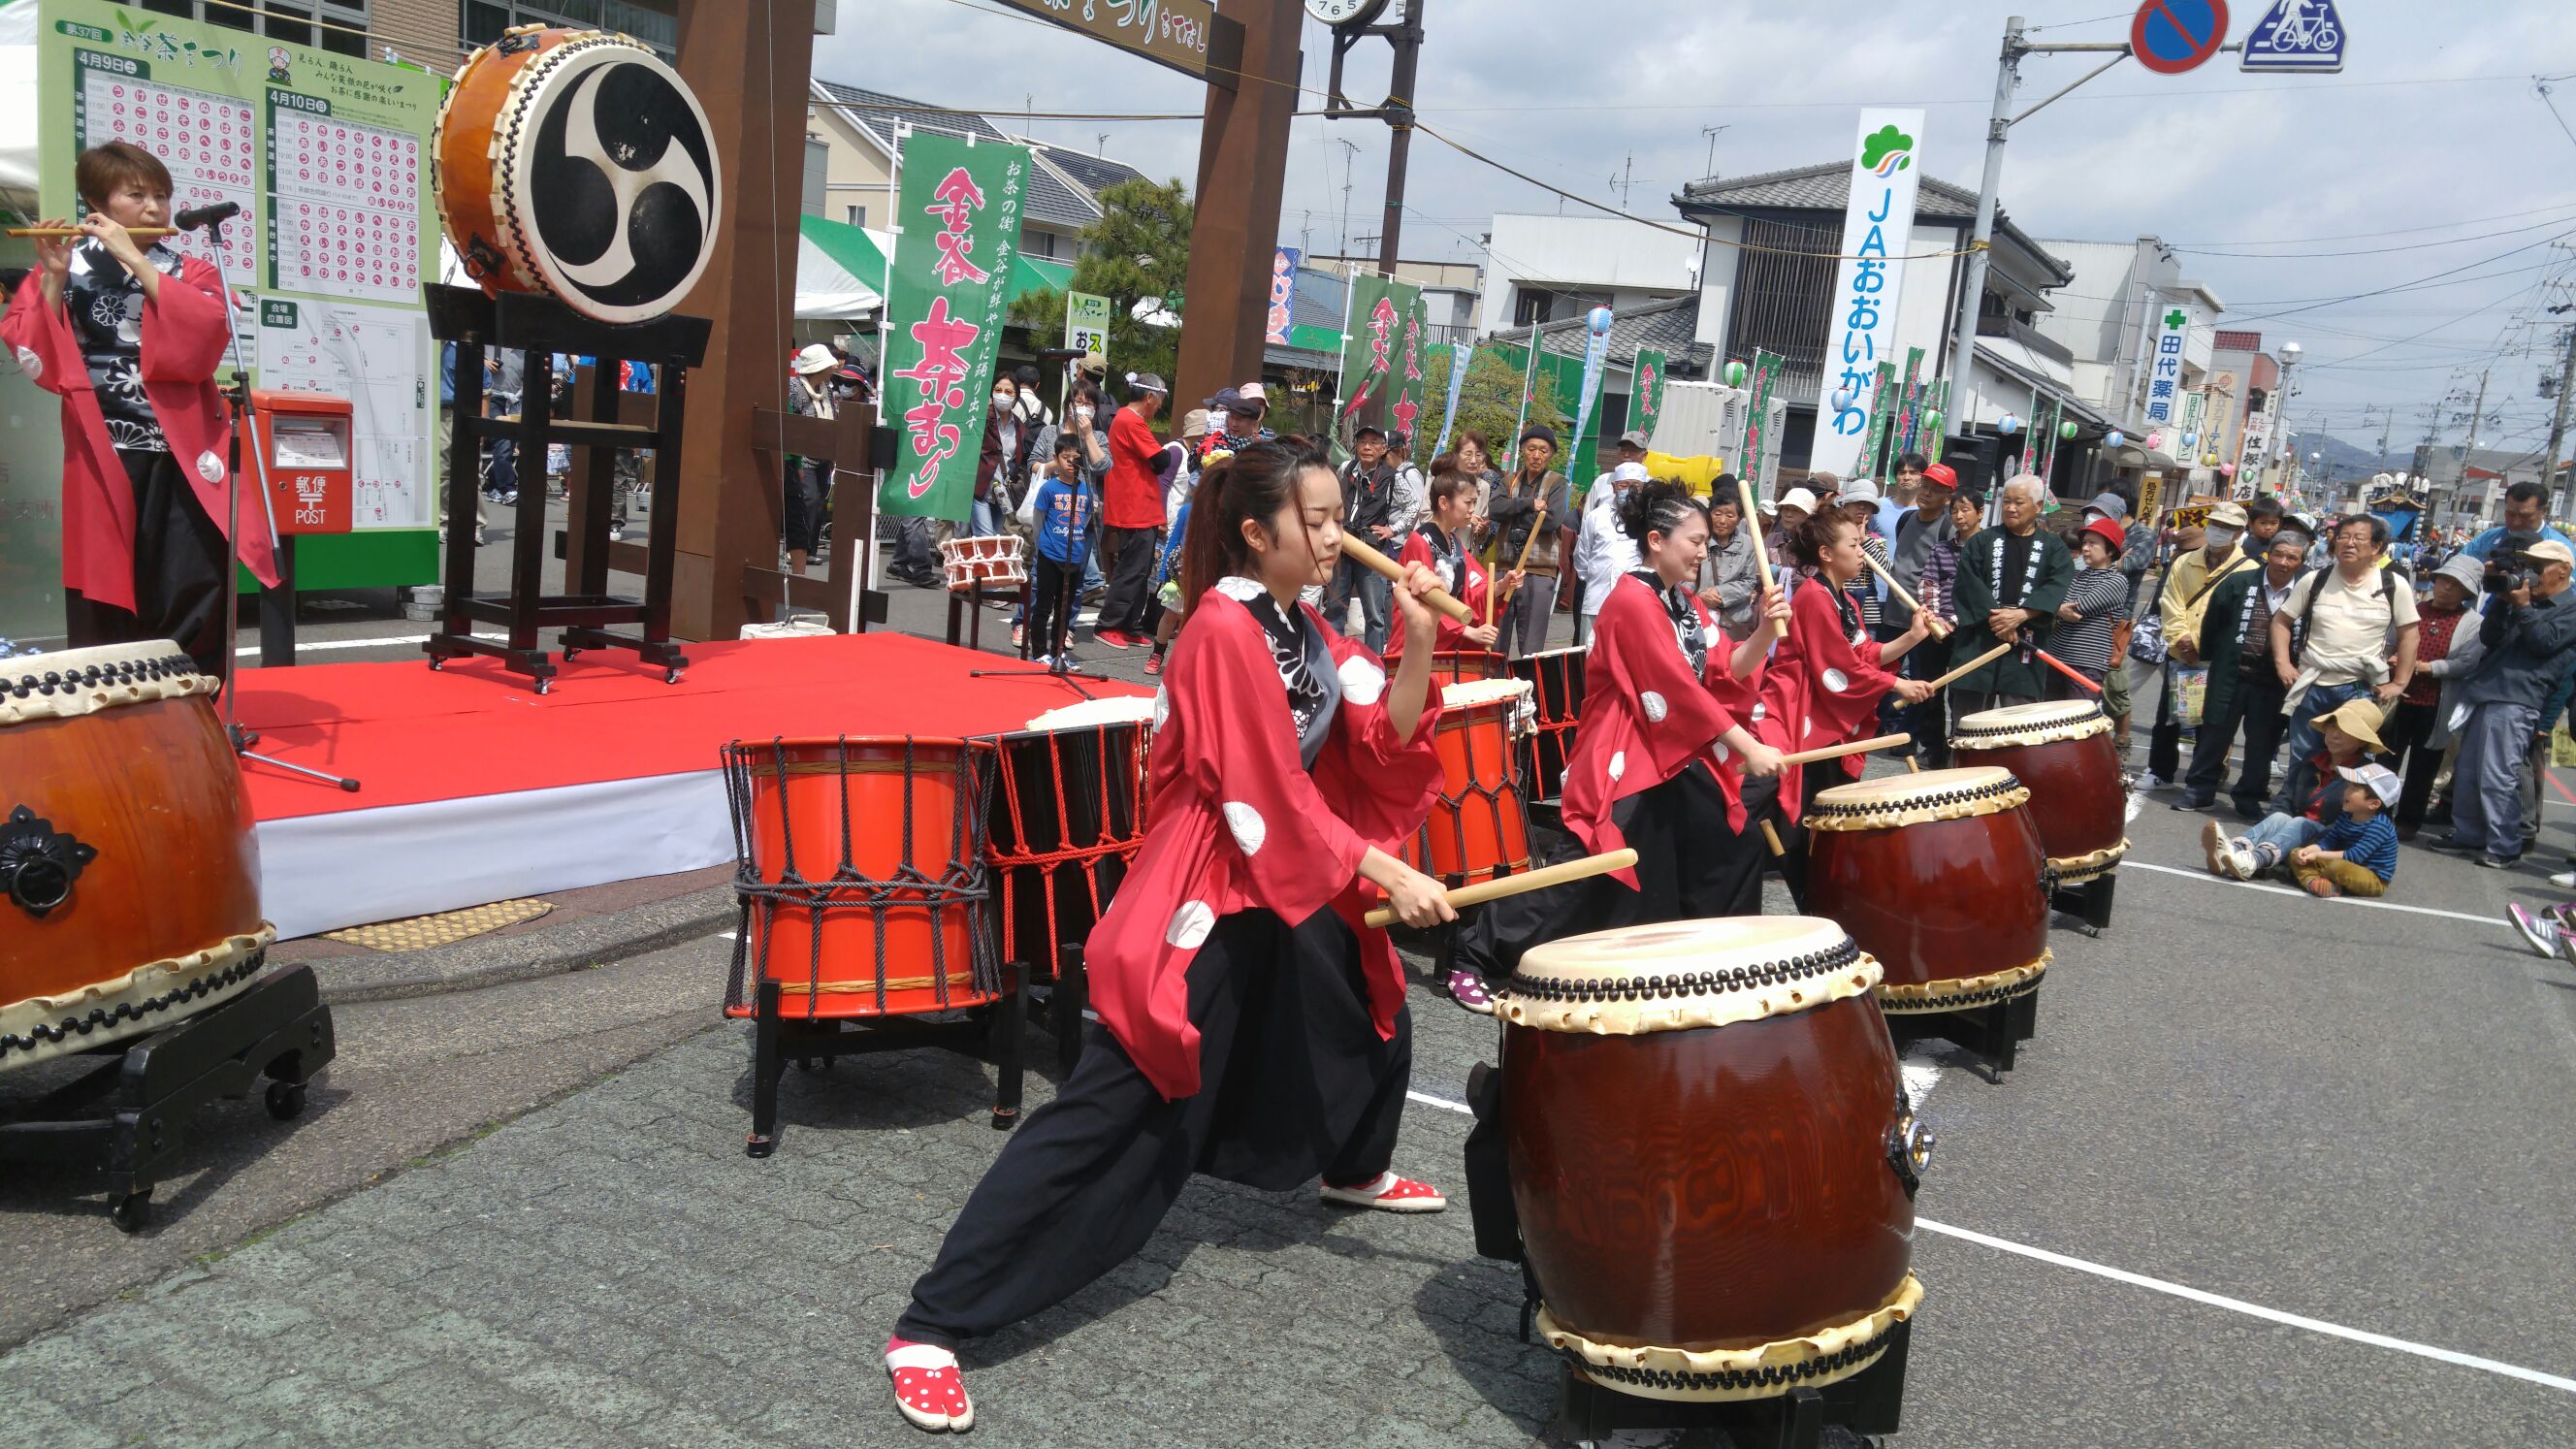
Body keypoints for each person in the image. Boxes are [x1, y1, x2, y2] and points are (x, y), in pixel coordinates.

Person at [885, 439, 1458, 1433]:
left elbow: (1379, 739)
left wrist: (1416, 639)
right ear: (1256, 533)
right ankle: (933, 1323)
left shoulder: (1304, 630)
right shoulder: (1221, 631)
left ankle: (1351, 1168)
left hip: (1277, 874)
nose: (1337, 538)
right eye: (1318, 520)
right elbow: (1261, 790)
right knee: (1122, 1099)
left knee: (1370, 1007)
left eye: (1339, 520)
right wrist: (1387, 869)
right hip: (1209, 882)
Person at [6, 141, 278, 679]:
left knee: (193, 574)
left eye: (161, 195)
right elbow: (37, 355)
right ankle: (115, 701)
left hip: (185, 444)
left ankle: (190, 696)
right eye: (137, 195)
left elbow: (206, 334)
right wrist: (55, 276)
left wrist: (133, 257)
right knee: (107, 577)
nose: (154, 208)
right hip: (104, 445)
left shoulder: (190, 268)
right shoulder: (66, 264)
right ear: (97, 202)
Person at [1772, 506, 1940, 902]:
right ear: (1827, 553)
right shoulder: (1814, 597)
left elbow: (1863, 655)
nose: (1863, 553)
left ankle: (1828, 895)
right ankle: (1815, 898)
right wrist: (1898, 683)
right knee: (1814, 818)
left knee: (1830, 814)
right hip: (1807, 717)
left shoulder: (1843, 598)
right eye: (1854, 544)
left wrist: (1913, 637)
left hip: (1830, 716)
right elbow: (1838, 669)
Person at [2430, 536, 2576, 867]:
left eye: (2538, 567)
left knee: (2498, 775)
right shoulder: (2524, 598)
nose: (2531, 574)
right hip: (2487, 689)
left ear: (2564, 570)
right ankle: (2469, 835)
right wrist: (2500, 598)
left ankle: (2504, 845)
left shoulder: (2570, 608)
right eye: (2528, 566)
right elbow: (2488, 637)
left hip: (2520, 696)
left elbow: (2544, 643)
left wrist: (2523, 607)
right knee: (2468, 772)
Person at [2270, 513, 2420, 819]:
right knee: (2303, 755)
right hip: (2313, 683)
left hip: (2359, 688)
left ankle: (2342, 820)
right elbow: (2281, 621)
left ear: (2376, 547)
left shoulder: (2394, 584)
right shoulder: (2315, 580)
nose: (2349, 543)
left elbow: (2409, 635)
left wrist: (2400, 682)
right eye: (2343, 537)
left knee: (2354, 762)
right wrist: (2283, 663)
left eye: (2358, 538)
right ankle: (2290, 814)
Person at [2176, 524, 2312, 817]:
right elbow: (2213, 624)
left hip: (2274, 681)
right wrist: (2213, 658)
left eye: (2292, 558)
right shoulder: (2238, 583)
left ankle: (2249, 796)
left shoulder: (2307, 590)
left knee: (2263, 741)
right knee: (2214, 733)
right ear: (2267, 554)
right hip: (2231, 674)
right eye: (2278, 554)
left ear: (2302, 561)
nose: (2283, 562)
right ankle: (2199, 790)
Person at [2142, 502, 2260, 789]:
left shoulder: (2250, 569)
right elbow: (2170, 602)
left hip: (2220, 660)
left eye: (2227, 527)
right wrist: (2182, 638)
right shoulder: (2184, 562)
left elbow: (2241, 618)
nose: (2219, 531)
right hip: (2182, 652)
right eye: (2216, 524)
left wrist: (2205, 647)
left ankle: (2203, 777)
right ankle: (2160, 772)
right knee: (2171, 716)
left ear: (2239, 533)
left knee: (2212, 722)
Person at [2203, 699, 2381, 881]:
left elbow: (2359, 824)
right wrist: (2276, 826)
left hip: (2329, 843)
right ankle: (2234, 851)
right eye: (2332, 727)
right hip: (2292, 832)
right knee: (2280, 816)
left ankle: (2254, 860)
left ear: (2361, 741)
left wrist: (2314, 839)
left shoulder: (2367, 776)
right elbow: (2285, 797)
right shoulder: (2312, 758)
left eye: (2345, 730)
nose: (2335, 735)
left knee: (2301, 823)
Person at [1945, 474, 2075, 719]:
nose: (2011, 508)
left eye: (2019, 502)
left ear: (2038, 506)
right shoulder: (1981, 541)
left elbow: (2056, 584)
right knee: (1969, 722)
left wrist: (2022, 615)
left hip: (2027, 637)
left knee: (2019, 722)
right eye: (2006, 501)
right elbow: (1967, 585)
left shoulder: (2053, 547)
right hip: (1980, 637)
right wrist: (2001, 622)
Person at [2385, 553, 2481, 837]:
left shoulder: (2473, 622)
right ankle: (2376, 815)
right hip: (2399, 697)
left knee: (2424, 767)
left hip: (2436, 703)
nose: (2446, 587)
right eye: (2443, 580)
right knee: (2386, 759)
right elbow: (2390, 642)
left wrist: (2427, 667)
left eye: (2456, 584)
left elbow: (2466, 663)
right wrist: (2391, 658)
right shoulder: (2414, 609)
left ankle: (2408, 820)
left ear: (2467, 591)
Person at [1387, 464, 1506, 666]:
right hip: (1418, 643)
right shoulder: (1420, 541)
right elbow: (1425, 598)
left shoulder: (1455, 542)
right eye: (1468, 502)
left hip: (1445, 643)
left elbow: (1474, 587)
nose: (1472, 509)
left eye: (1474, 502)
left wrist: (1501, 586)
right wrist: (1468, 631)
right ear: (1443, 502)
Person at [1090, 371, 1169, 649]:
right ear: (1149, 397)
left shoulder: (1127, 419)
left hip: (1139, 505)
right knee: (1132, 569)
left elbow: (1158, 461)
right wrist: (1157, 459)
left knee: (1139, 569)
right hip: (1135, 507)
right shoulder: (1131, 421)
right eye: (1159, 399)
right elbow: (1161, 459)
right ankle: (1109, 624)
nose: (1159, 406)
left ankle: (1126, 624)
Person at [1480, 426, 1573, 657]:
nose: (1536, 455)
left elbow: (1550, 521)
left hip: (1538, 571)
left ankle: (1528, 680)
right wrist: (1528, 504)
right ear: (1522, 450)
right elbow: (1494, 509)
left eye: (1543, 450)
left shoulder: (1557, 483)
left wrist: (1511, 513)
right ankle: (1495, 678)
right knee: (1496, 638)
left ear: (1551, 454)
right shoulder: (1509, 480)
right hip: (1505, 567)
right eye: (1531, 449)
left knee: (1531, 644)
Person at [1916, 481, 1985, 767]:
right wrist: (1933, 619)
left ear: (1980, 513)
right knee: (1930, 689)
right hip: (1936, 629)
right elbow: (1928, 583)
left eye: (1965, 510)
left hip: (1968, 629)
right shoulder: (1941, 548)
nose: (1959, 515)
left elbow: (1979, 594)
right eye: (1955, 510)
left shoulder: (1987, 549)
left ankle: (1960, 747)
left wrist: (1953, 621)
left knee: (1962, 692)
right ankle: (1933, 748)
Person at [1022, 434, 1097, 668]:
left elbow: (1086, 517)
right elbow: (1038, 520)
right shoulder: (1049, 488)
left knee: (1064, 608)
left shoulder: (1085, 489)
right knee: (1044, 605)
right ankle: (1039, 651)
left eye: (1076, 458)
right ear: (1056, 458)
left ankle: (1059, 652)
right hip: (1050, 554)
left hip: (1074, 555)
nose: (1071, 462)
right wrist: (1043, 544)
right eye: (1066, 457)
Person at [1327, 425, 1401, 651]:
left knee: (1374, 614)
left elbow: (1412, 504)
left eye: (1373, 443)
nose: (1367, 447)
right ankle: (1334, 655)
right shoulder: (1346, 468)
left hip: (1371, 549)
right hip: (1344, 544)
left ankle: (1374, 660)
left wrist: (1393, 529)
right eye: (1362, 442)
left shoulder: (1392, 476)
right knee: (1335, 607)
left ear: (1383, 449)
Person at [780, 344, 842, 578]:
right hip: (802, 456)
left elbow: (833, 418)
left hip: (823, 456)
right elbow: (791, 422)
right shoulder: (794, 388)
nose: (832, 370)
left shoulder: (827, 389)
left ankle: (809, 549)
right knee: (809, 500)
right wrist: (796, 462)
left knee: (818, 503)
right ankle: (797, 549)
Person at [2051, 516, 2130, 699]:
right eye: (2084, 543)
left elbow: (2077, 607)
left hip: (2087, 663)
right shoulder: (2075, 575)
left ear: (2111, 550)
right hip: (2056, 658)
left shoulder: (2117, 581)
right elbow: (2056, 602)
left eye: (2093, 543)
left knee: (2079, 715)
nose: (2085, 548)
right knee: (2050, 715)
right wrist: (2059, 609)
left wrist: (2057, 608)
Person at [1572, 460, 1649, 646]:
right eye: (1624, 485)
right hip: (1597, 599)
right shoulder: (1596, 516)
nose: (1630, 491)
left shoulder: (1648, 520)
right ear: (1614, 487)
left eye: (1636, 486)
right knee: (1590, 652)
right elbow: (1582, 557)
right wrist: (1597, 575)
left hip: (1635, 605)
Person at [1697, 481, 1761, 634]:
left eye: (1730, 515)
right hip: (1699, 616)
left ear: (1739, 519)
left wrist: (1720, 593)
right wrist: (1700, 596)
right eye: (1717, 513)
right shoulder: (1698, 540)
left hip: (1733, 621)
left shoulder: (1747, 544)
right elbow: (1683, 575)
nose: (1722, 520)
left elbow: (1749, 582)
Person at [2459, 480, 2574, 561]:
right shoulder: (2486, 540)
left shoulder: (2562, 549)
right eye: (2511, 514)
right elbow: (2457, 571)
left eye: (2525, 516)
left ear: (2544, 511)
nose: (2516, 522)